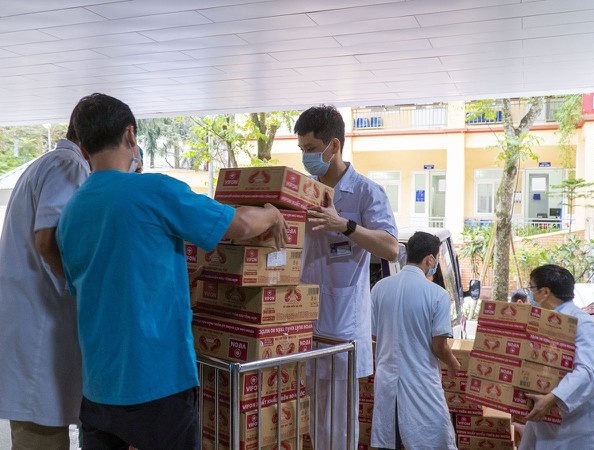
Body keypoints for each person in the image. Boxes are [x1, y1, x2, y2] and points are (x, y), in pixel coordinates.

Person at [55, 93, 287, 450]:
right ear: (131, 136)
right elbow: (238, 224)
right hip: (158, 383)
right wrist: (272, 213)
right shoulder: (153, 191)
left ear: (82, 149)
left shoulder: (71, 213)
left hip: (98, 388)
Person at [0, 98, 91, 450]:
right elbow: (47, 239)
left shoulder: (47, 163)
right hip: (37, 329)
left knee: (35, 433)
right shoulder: (67, 164)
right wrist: (84, 289)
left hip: (28, 325)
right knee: (40, 438)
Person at [295, 104, 399, 448]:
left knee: (340, 426)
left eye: (311, 149)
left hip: (343, 328)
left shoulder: (367, 192)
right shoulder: (304, 192)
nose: (306, 157)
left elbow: (390, 247)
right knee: (316, 422)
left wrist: (346, 226)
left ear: (333, 146)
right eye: (302, 150)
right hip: (306, 323)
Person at [370, 231, 460, 449]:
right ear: (430, 259)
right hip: (421, 383)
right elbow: (439, 346)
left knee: (389, 439)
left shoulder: (380, 288)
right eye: (436, 259)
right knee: (432, 439)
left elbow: (374, 336)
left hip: (386, 381)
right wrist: (455, 365)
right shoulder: (437, 295)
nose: (436, 263)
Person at [520, 264, 594, 449]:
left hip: (580, 428)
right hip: (548, 420)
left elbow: (587, 371)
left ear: (544, 292)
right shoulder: (545, 323)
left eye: (531, 289)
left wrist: (553, 398)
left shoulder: (583, 325)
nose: (529, 295)